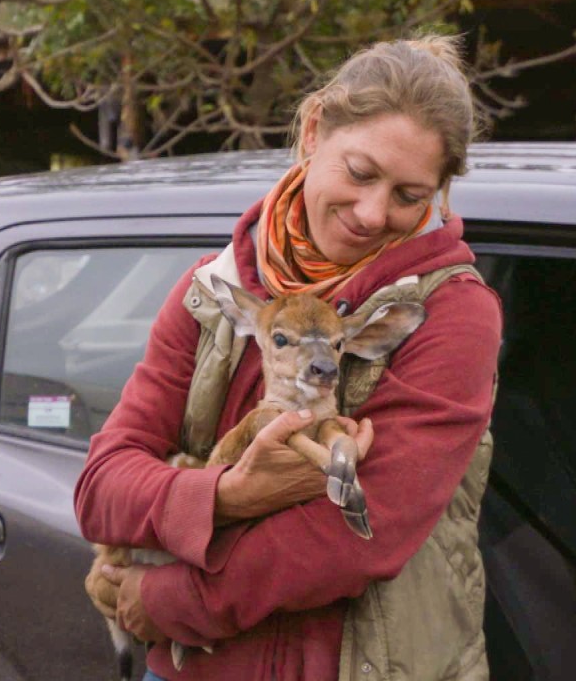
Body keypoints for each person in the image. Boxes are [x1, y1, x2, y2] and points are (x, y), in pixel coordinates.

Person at [75, 35, 502, 681]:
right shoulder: (214, 290)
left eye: (408, 196)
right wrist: (228, 495)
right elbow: (101, 488)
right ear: (312, 130)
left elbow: (356, 540)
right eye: (359, 173)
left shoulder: (452, 315)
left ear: (439, 193)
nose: (372, 212)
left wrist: (165, 598)